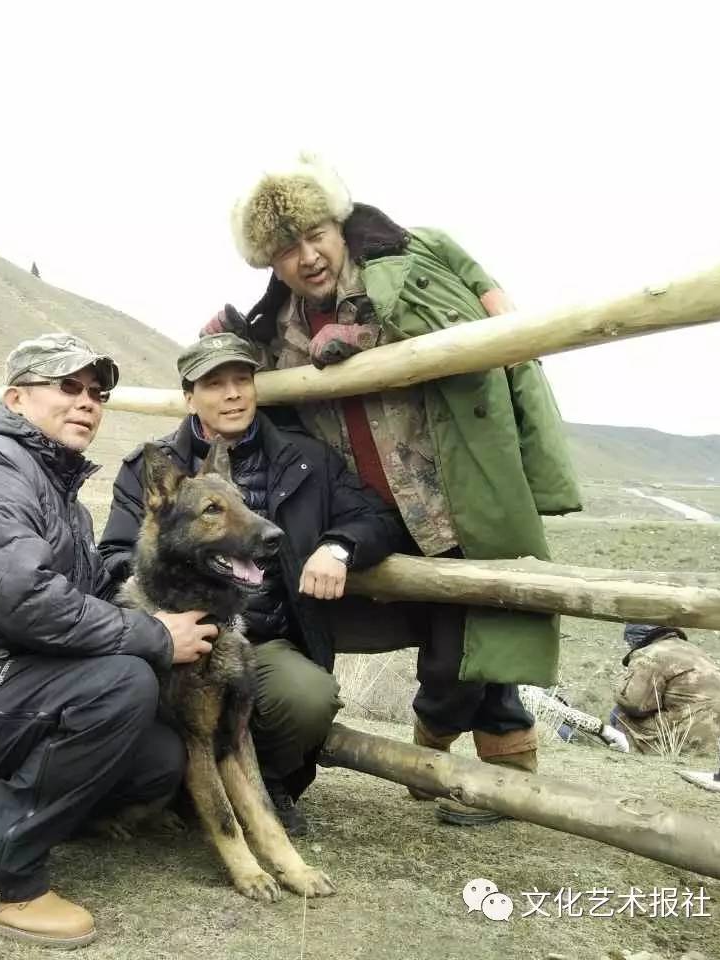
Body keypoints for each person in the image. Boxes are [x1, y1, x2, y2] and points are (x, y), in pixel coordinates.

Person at [209, 152, 584, 825]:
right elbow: (241, 383)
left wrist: (370, 336)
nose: (308, 257)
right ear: (271, 263)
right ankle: (469, 763)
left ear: (337, 223)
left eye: (315, 235)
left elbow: (481, 329)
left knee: (476, 631)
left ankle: (488, 768)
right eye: (286, 250)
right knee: (455, 636)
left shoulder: (406, 275)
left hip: (449, 495)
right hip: (369, 511)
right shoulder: (281, 329)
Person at [0, 333, 218, 949]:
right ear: (15, 398)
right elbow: (27, 601)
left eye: (96, 394)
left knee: (157, 759)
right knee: (122, 683)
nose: (87, 404)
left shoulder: (54, 486)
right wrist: (154, 633)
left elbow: (86, 592)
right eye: (68, 388)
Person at [100, 333, 408, 834]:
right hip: (177, 633)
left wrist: (338, 547)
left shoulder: (308, 459)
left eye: (242, 379)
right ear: (189, 396)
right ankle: (180, 792)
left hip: (265, 635)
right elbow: (114, 553)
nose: (233, 394)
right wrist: (159, 616)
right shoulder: (148, 469)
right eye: (215, 383)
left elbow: (373, 517)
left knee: (307, 697)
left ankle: (266, 784)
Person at [612, 624, 720, 755]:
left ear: (634, 640)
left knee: (618, 714)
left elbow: (633, 704)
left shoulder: (650, 653)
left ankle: (622, 754)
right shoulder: (693, 650)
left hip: (697, 731)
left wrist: (620, 687)